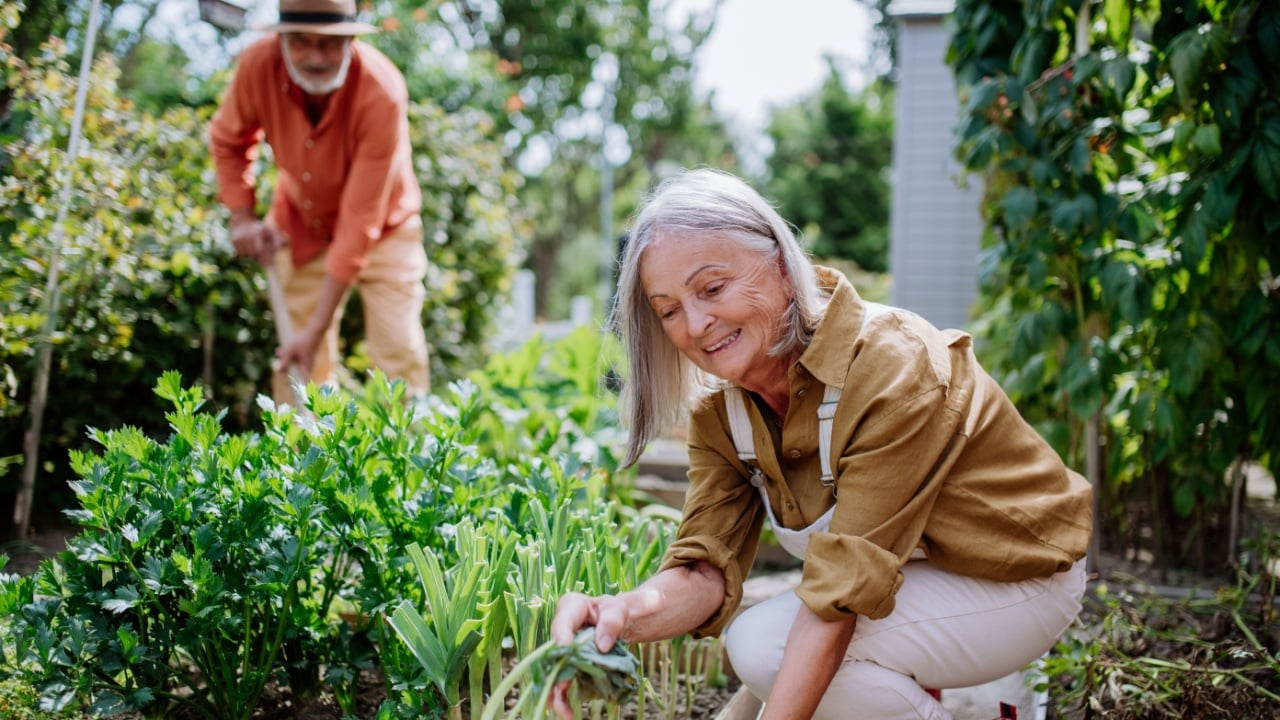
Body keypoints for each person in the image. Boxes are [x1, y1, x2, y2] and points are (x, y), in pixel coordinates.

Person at [550, 168, 1092, 720]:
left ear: (782, 265)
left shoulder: (889, 364)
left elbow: (840, 598)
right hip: (917, 578)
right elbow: (702, 570)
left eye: (712, 288)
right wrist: (616, 613)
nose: (696, 324)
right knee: (766, 649)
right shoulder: (723, 412)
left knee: (762, 646)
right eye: (668, 310)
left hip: (1017, 580)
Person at [209, 0, 430, 402]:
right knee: (301, 367)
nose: (317, 57)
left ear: (351, 39)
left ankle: (405, 458)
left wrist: (316, 331)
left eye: (330, 44)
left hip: (387, 229)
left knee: (398, 349)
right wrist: (241, 217)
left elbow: (360, 221)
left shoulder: (382, 91)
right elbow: (229, 140)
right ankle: (302, 460)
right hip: (301, 223)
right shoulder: (258, 65)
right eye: (302, 43)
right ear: (282, 40)